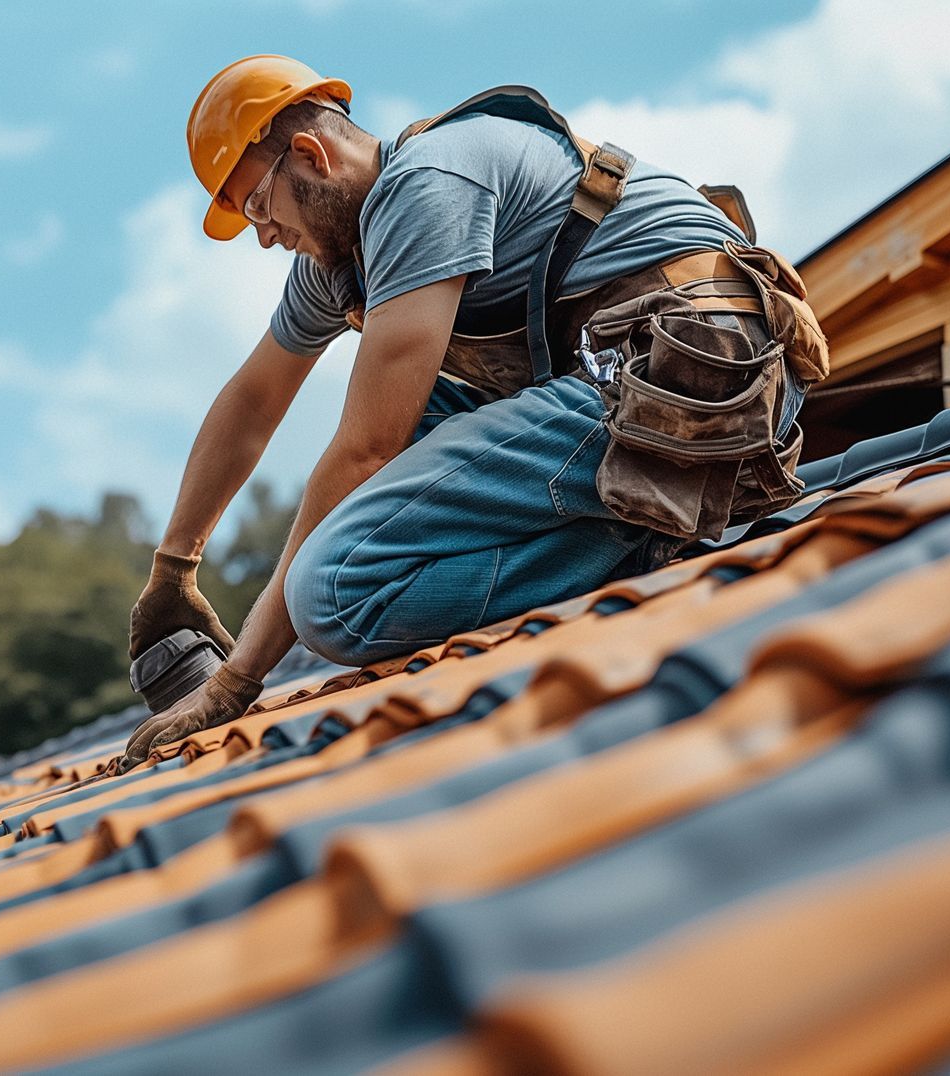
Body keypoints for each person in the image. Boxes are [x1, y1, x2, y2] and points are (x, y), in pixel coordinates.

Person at [118, 55, 826, 767]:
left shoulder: (428, 183)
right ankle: (628, 522)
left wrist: (237, 681)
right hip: (627, 389)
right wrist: (173, 568)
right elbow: (254, 399)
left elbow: (367, 447)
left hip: (706, 376)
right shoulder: (342, 258)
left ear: (310, 155)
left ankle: (648, 532)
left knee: (332, 593)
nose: (264, 235)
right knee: (377, 467)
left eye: (259, 207)